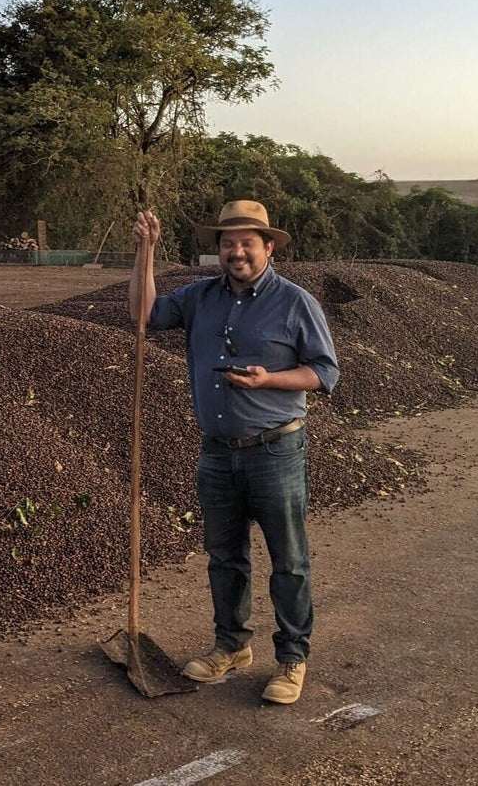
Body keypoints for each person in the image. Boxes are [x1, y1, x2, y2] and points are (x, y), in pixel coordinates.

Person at [129, 200, 339, 704]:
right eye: (228, 243)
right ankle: (231, 646)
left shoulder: (295, 303)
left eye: (248, 242)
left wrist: (270, 380)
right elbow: (142, 315)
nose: (237, 251)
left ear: (269, 247)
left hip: (277, 449)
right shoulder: (200, 297)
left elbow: (323, 371)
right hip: (218, 451)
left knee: (288, 560)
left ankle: (291, 660)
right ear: (218, 250)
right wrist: (145, 252)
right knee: (224, 556)